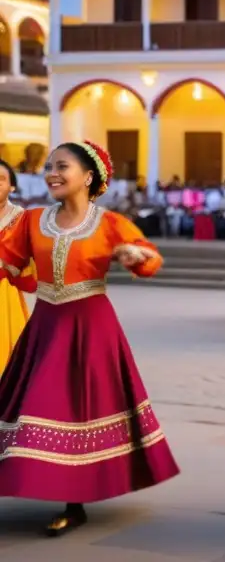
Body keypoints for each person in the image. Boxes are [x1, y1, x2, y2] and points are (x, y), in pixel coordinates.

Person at [0, 140, 179, 535]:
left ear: (88, 176)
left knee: (80, 409)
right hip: (46, 325)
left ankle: (74, 501)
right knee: (37, 403)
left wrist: (137, 257)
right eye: (49, 166)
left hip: (91, 326)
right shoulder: (31, 221)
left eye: (61, 166)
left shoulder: (110, 223)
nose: (51, 173)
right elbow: (7, 261)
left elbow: (150, 259)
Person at [0, 159, 34, 371]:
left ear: (12, 186)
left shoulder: (20, 219)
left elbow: (29, 265)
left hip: (6, 295)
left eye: (1, 179)